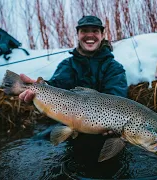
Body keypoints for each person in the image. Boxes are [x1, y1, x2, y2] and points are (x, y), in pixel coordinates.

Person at [19, 16, 128, 177]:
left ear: (102, 34)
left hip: (104, 135)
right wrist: (40, 89)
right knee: (37, 142)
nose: (89, 35)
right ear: (78, 34)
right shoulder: (67, 65)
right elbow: (56, 85)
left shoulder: (114, 68)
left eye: (95, 31)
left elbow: (116, 98)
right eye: (84, 31)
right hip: (71, 131)